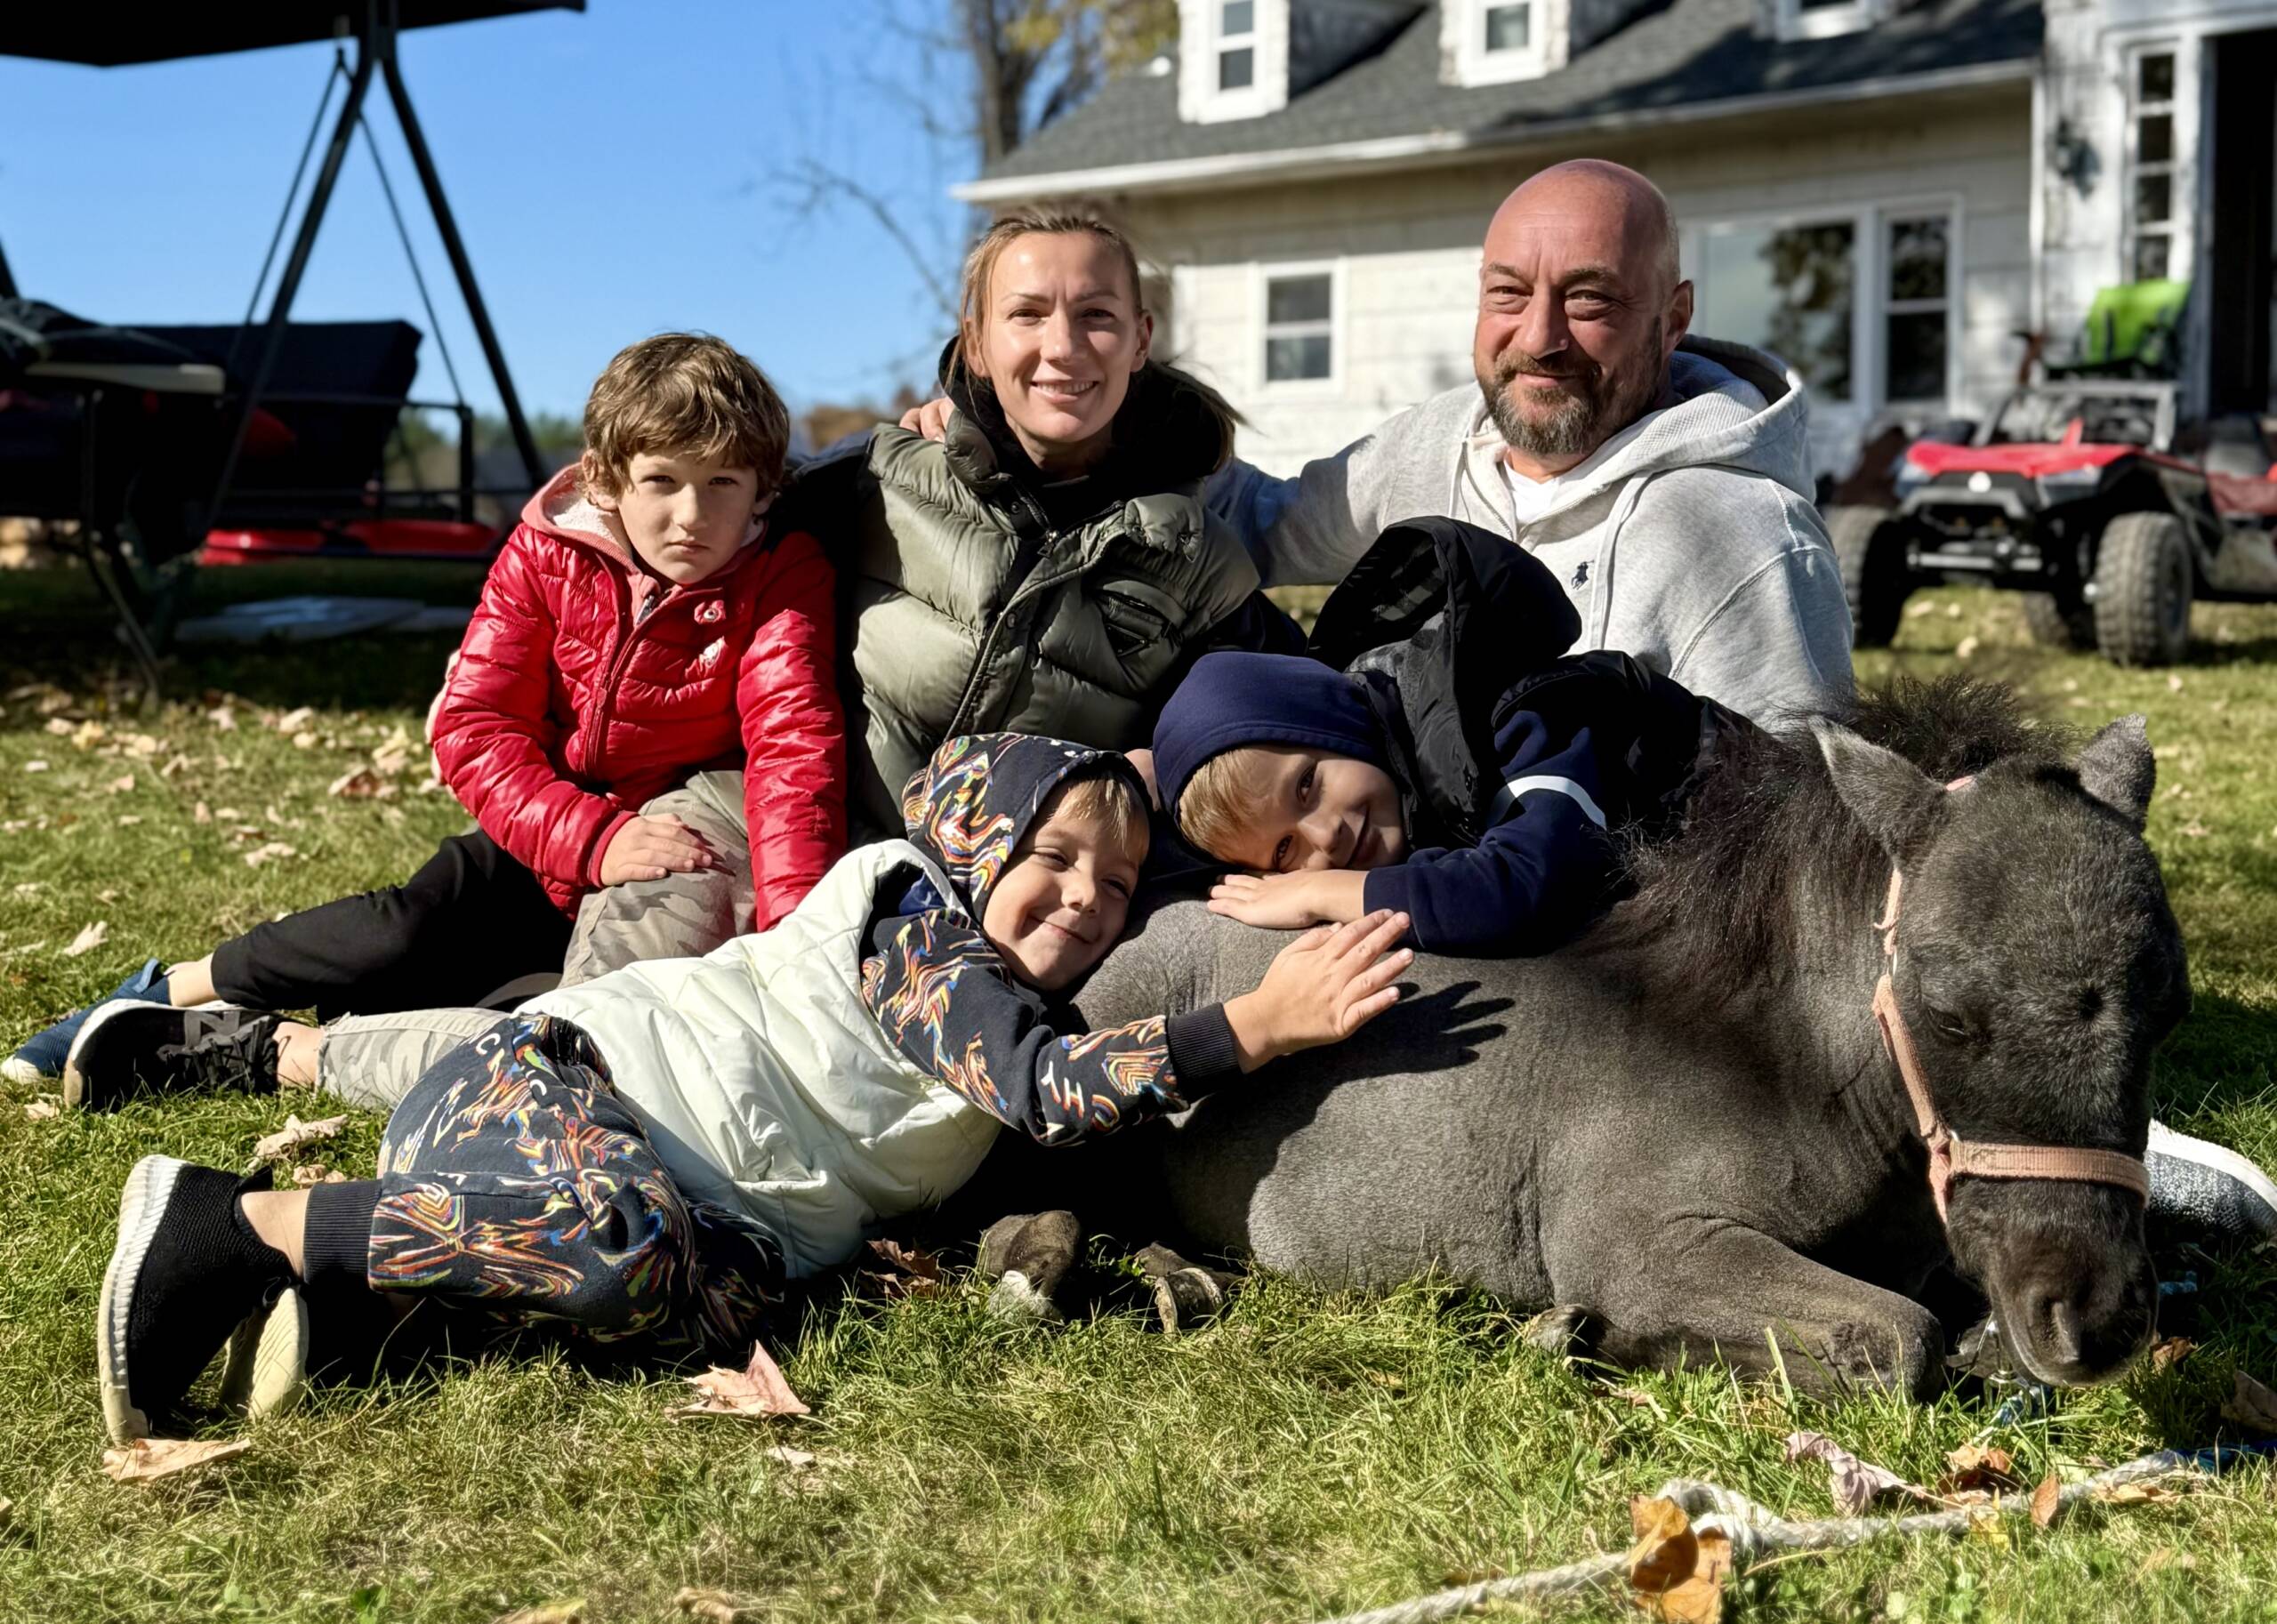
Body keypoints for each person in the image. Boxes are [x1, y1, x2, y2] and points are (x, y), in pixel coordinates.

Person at [93, 734, 1413, 1443]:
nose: (1085, 894)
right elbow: (1046, 1088)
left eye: (1117, 884)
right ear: (974, 842)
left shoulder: (995, 999)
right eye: (1052, 854)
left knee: (708, 1298)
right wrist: (1253, 1022)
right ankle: (236, 1220)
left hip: (669, 1197)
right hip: (549, 1092)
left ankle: (360, 1311)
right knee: (620, 1249)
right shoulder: (918, 922)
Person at [18, 334, 845, 1104]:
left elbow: (792, 750)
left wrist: (792, 947)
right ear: (607, 480)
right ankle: (169, 989)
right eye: (662, 481)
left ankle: (251, 1048)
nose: (692, 515)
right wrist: (588, 838)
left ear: (763, 490)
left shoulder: (779, 575)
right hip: (549, 830)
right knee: (400, 930)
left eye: (722, 484)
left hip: (664, 850)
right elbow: (475, 725)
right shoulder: (548, 553)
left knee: (526, 1018)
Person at [556, 207, 1299, 979]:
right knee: (594, 1035)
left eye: (1097, 317)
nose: (1063, 346)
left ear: (1141, 338)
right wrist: (539, 667)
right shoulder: (884, 476)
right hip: (766, 822)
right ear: (976, 342)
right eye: (1027, 314)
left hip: (981, 907)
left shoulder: (1193, 557)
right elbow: (672, 547)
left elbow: (1278, 717)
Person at [903, 161, 1852, 728]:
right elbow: (1255, 525)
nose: (1540, 335)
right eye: (1509, 293)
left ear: (1673, 315)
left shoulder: (1739, 533)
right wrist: (1016, 424)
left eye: (1591, 298)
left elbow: (1796, 843)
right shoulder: (1442, 443)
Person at [1151, 517, 1734, 956]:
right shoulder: (1407, 781)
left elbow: (1530, 888)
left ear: (1344, 724)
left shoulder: (1511, 711)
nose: (1322, 837)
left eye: (1307, 786)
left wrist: (1319, 892)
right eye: (1283, 852)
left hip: (1758, 828)